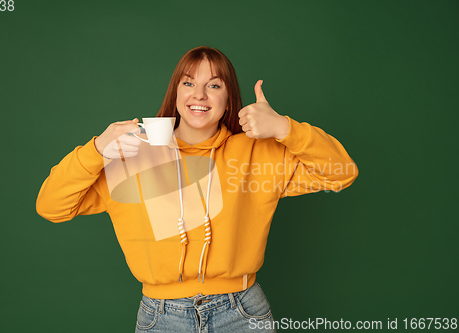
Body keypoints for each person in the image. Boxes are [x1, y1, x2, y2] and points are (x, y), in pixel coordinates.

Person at [36, 46, 358, 332]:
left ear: (228, 97)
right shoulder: (131, 154)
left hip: (243, 313)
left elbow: (341, 173)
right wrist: (96, 149)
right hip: (161, 317)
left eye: (213, 85)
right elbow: (51, 206)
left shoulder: (256, 152)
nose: (199, 95)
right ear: (175, 93)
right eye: (188, 83)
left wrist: (285, 128)